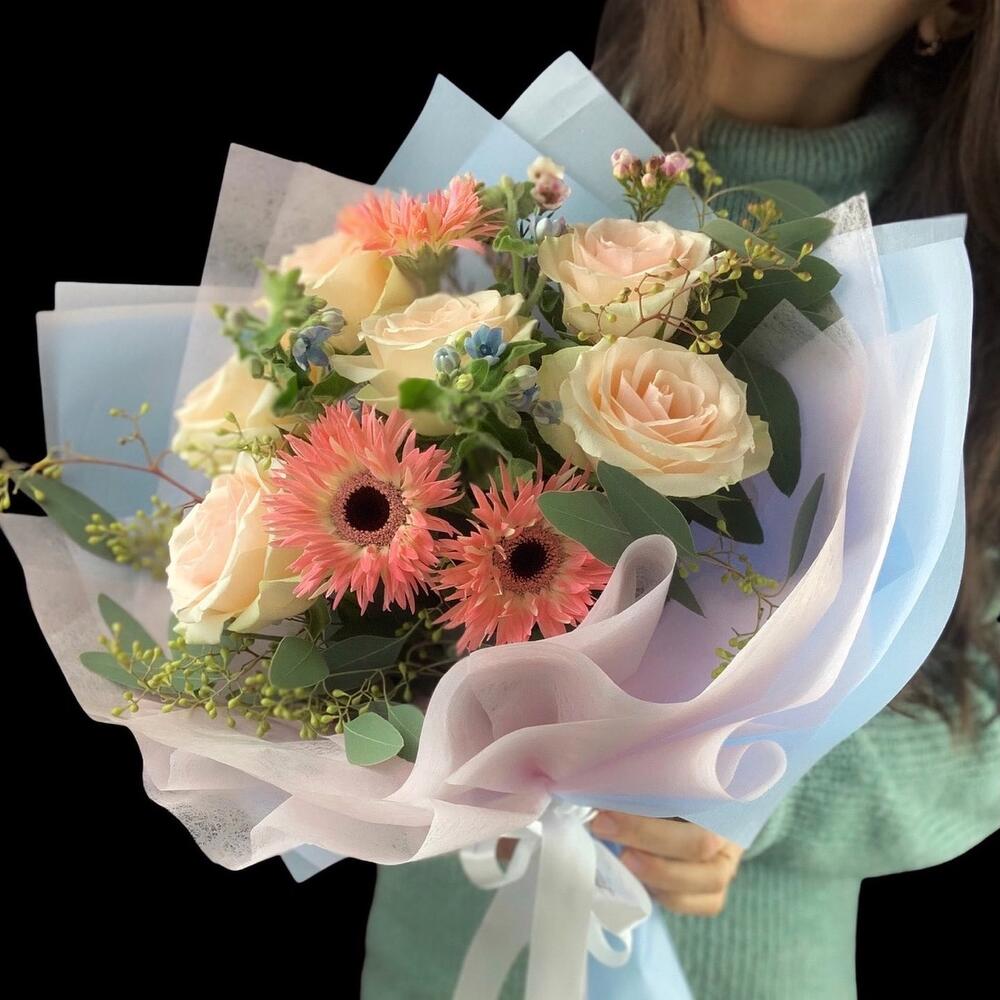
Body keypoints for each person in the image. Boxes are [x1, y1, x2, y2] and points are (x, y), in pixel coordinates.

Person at [360, 2, 1000, 997]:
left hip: (743, 969)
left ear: (949, 13)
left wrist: (753, 784)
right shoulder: (519, 191)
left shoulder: (964, 288)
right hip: (438, 949)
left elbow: (989, 731)